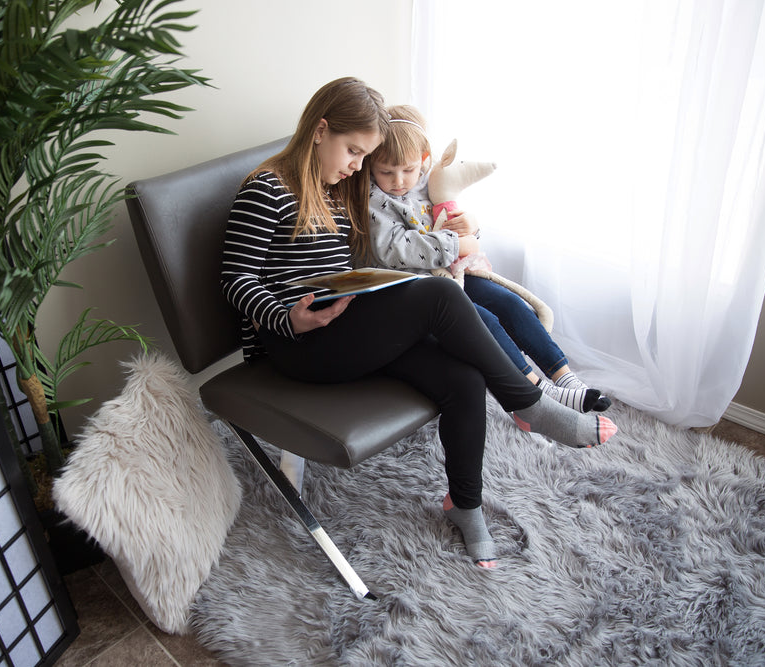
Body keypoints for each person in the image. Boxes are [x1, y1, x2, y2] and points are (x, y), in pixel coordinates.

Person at [220, 77, 617, 569]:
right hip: (296, 346)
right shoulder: (267, 189)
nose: (357, 168)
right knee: (437, 293)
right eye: (353, 151)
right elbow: (234, 278)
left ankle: (464, 504)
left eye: (365, 157)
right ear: (320, 131)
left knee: (463, 378)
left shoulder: (337, 189)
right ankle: (531, 405)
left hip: (342, 329)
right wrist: (287, 318)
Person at [368, 104, 611, 414]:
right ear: (371, 165)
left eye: (408, 170)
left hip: (451, 275)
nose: (398, 180)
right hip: (419, 292)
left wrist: (470, 226)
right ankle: (535, 388)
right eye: (386, 171)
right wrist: (458, 242)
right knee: (484, 318)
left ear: (424, 161)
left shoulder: (429, 183)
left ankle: (565, 377)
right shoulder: (374, 199)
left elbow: (454, 225)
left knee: (509, 304)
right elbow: (396, 250)